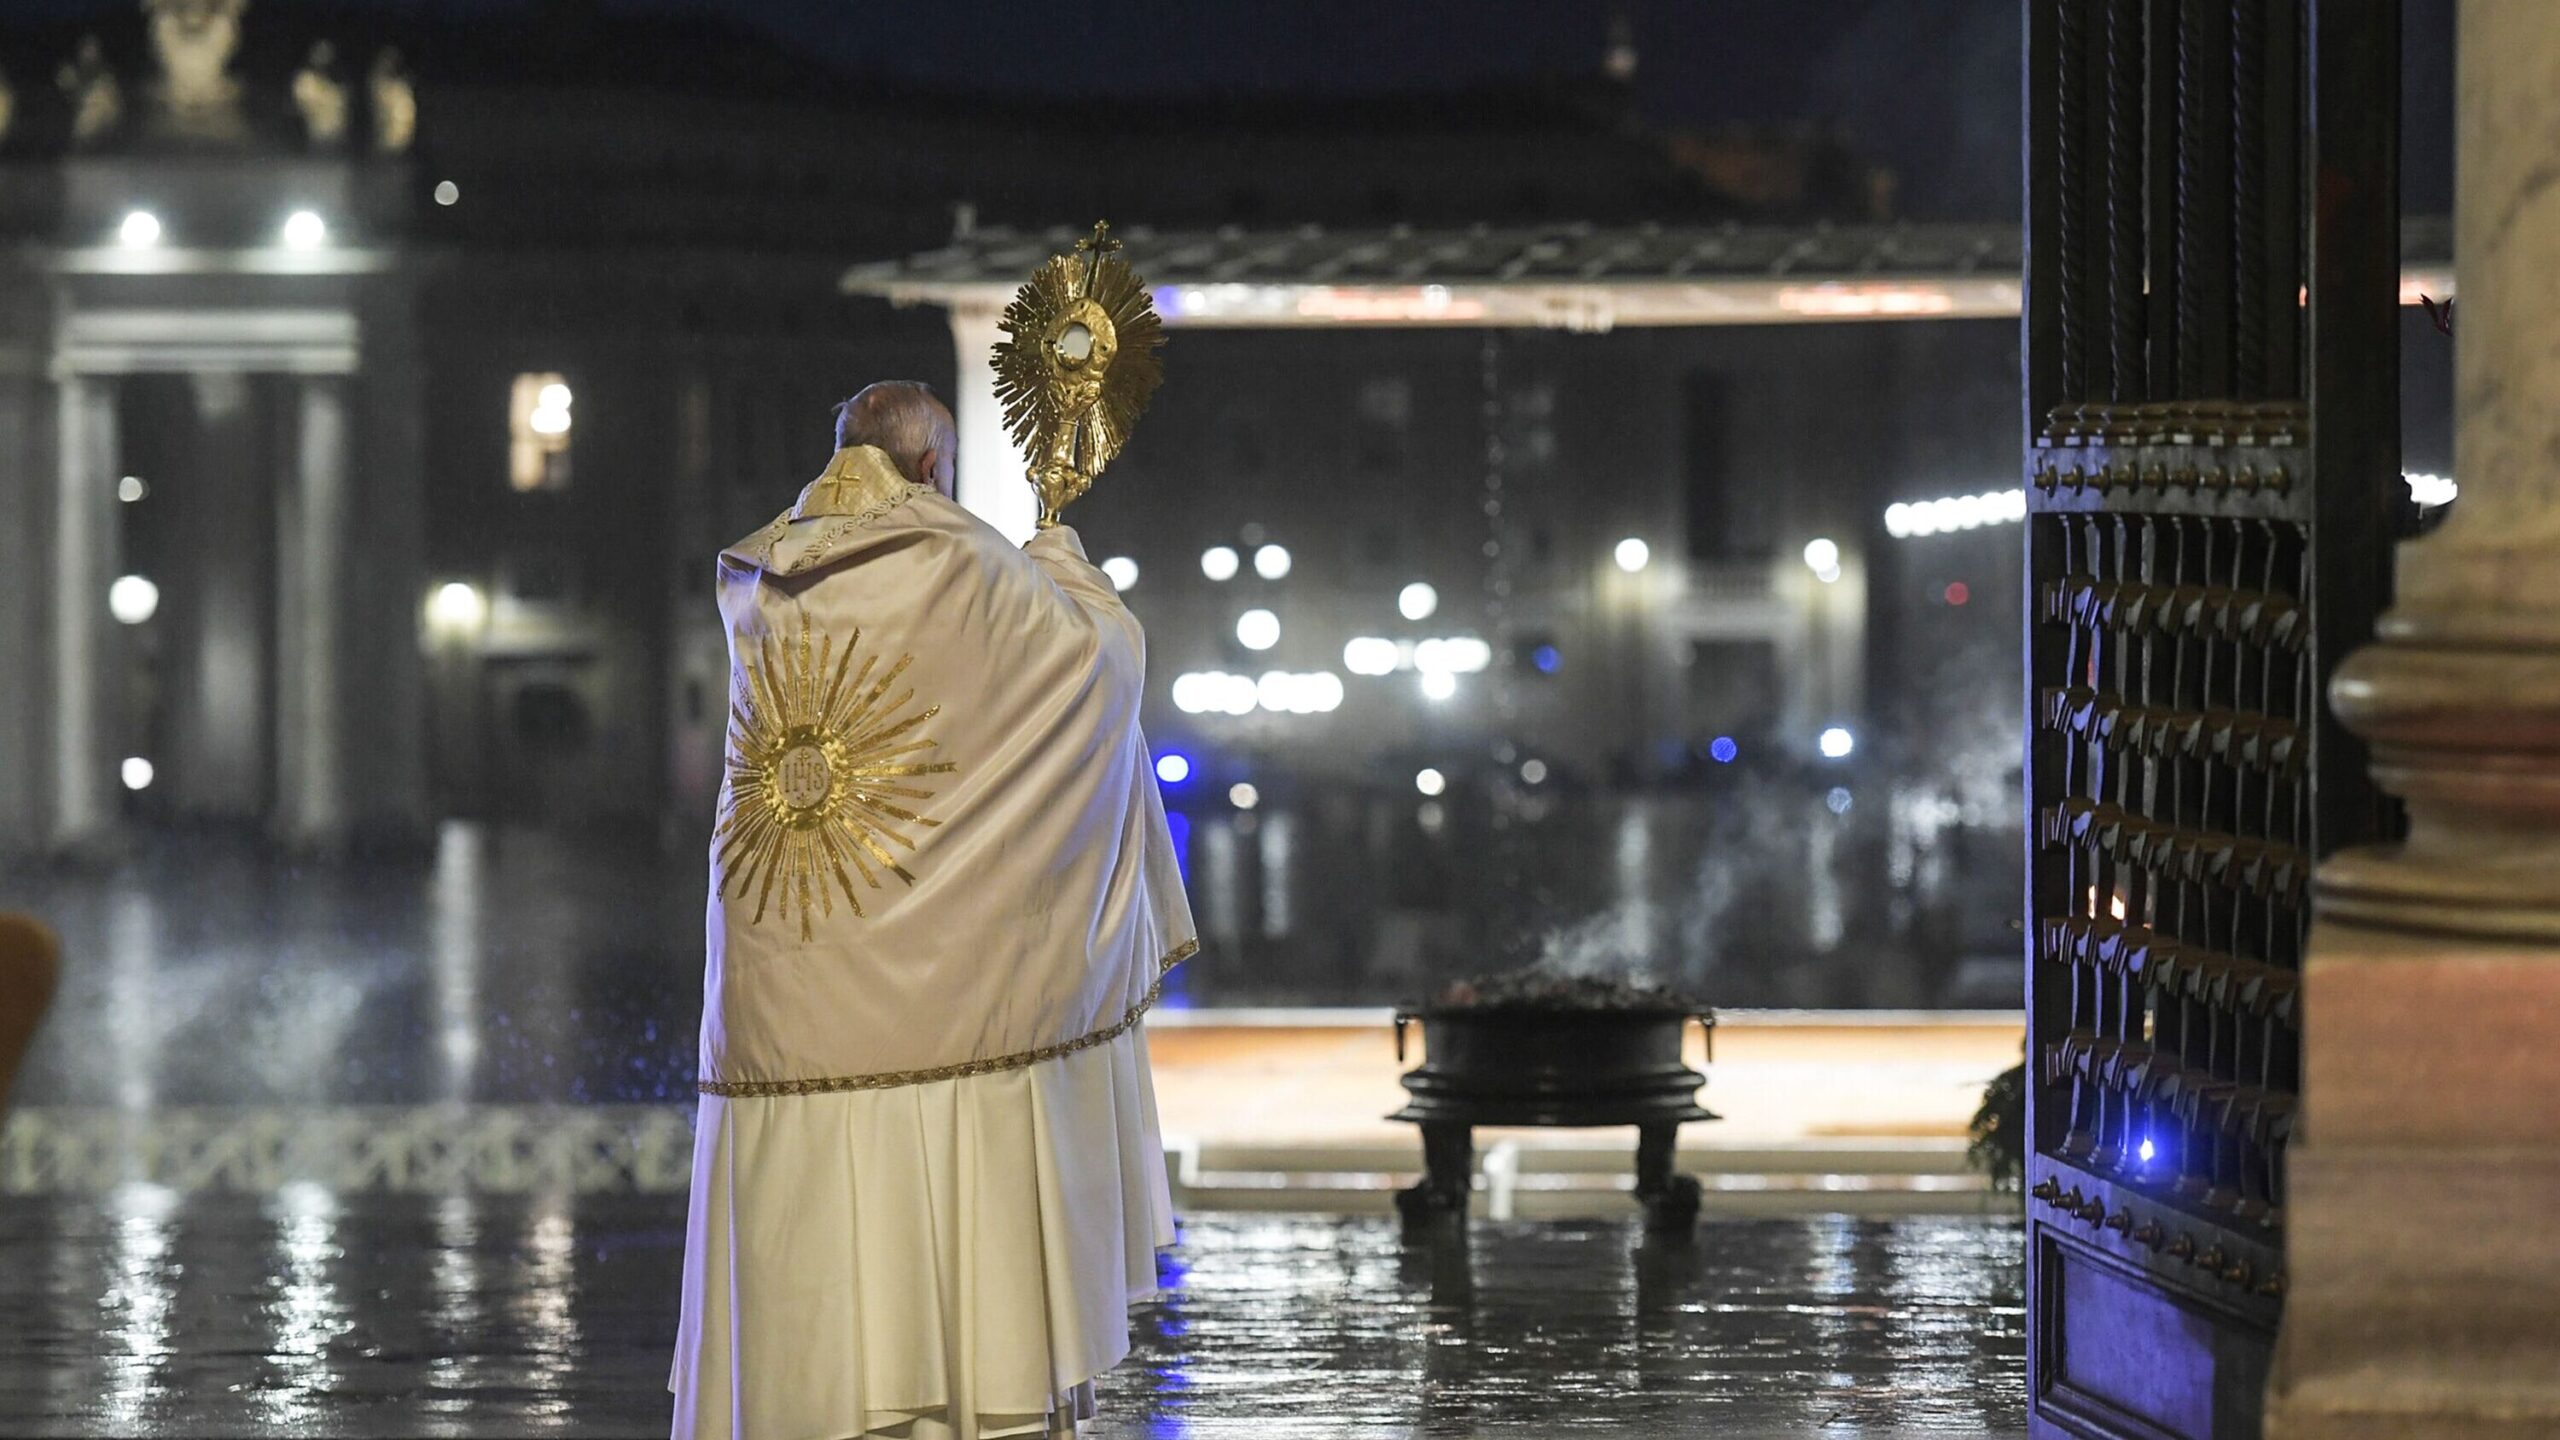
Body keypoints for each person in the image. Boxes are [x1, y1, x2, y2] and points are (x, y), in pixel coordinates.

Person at [671, 382, 1195, 1440]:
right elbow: (1094, 671)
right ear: (929, 469)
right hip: (943, 999)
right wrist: (1062, 562)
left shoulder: (758, 576)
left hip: (780, 983)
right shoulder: (957, 557)